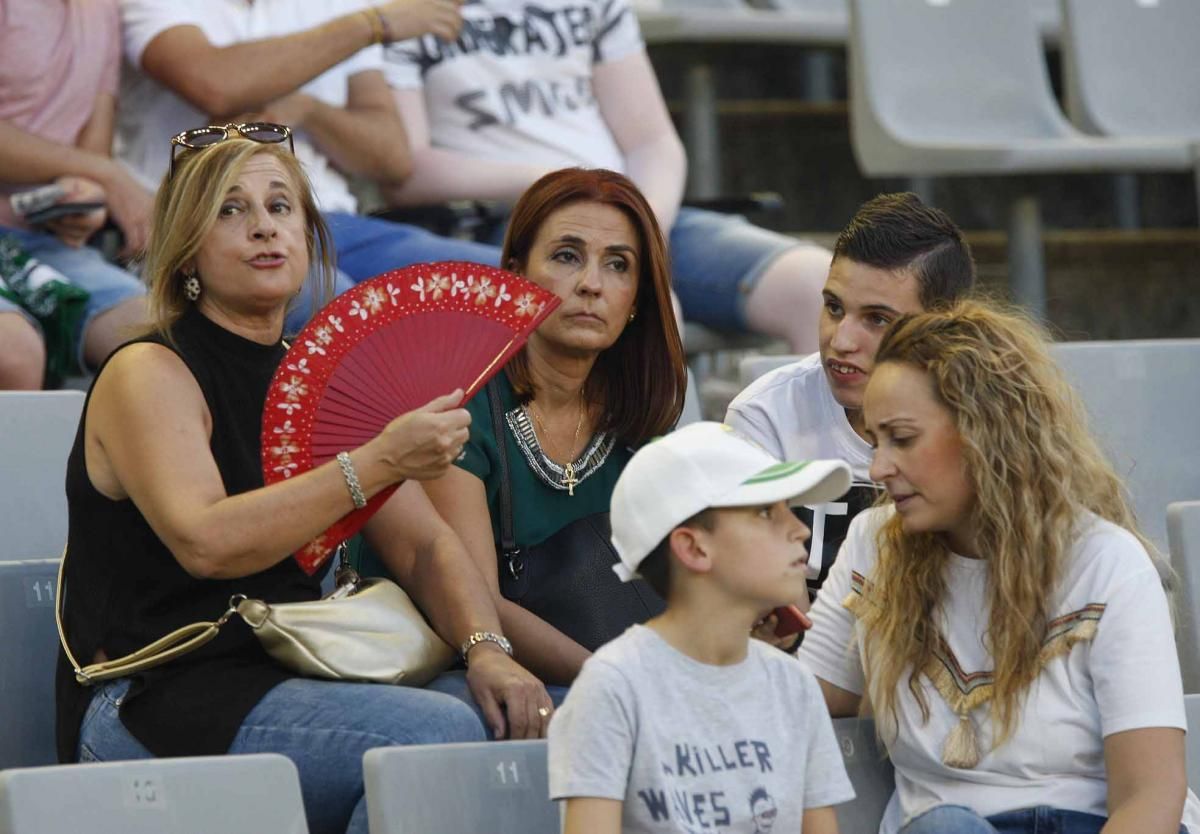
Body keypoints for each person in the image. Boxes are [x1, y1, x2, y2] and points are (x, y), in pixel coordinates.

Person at [55, 128, 551, 834]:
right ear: (187, 247)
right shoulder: (149, 370)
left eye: (281, 206)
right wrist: (379, 460)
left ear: (309, 235)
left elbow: (425, 549)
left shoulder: (319, 381)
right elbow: (207, 542)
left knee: (529, 717)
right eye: (230, 210)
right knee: (434, 738)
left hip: (290, 671)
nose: (263, 226)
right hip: (152, 694)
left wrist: (488, 651)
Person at [798, 300, 1200, 834]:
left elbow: (1150, 798)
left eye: (902, 438)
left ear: (986, 434)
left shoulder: (1107, 561)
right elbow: (800, 705)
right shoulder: (875, 543)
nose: (878, 468)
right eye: (875, 441)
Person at [378, 0, 833, 352]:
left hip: (634, 210)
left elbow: (653, 143)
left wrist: (646, 228)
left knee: (816, 285)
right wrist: (557, 182)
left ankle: (837, 470)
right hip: (507, 220)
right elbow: (404, 171)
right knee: (648, 310)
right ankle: (661, 470)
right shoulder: (397, 12)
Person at [417, 167, 687, 686]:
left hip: (616, 666)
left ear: (638, 299)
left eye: (618, 265)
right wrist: (626, 684)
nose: (591, 284)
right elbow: (482, 602)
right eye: (567, 256)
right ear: (516, 273)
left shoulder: (642, 418)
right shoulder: (458, 404)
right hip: (469, 663)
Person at [115, 0, 500, 334]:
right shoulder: (362, 19)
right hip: (209, 224)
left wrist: (308, 110)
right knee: (339, 305)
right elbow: (215, 83)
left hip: (331, 222)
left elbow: (391, 158)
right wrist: (371, 24)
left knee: (502, 281)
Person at [547, 421, 856, 834]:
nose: (799, 529)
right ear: (693, 548)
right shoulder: (614, 687)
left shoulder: (793, 685)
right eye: (766, 511)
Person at [726, 192, 975, 594]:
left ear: (942, 325)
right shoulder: (765, 416)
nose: (840, 341)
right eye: (834, 308)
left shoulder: (988, 420)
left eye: (876, 319)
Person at [0, 0, 150, 389]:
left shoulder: (103, 9)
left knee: (160, 342)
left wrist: (85, 201)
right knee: (13, 353)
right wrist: (104, 174)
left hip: (43, 240)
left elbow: (90, 154)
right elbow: (96, 164)